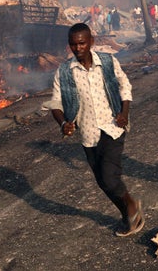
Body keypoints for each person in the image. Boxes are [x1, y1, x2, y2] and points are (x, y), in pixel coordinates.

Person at [46, 23, 144, 237]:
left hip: (112, 127)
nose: (78, 48)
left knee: (109, 177)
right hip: (88, 134)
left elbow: (124, 84)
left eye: (82, 43)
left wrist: (124, 113)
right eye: (73, 44)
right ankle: (127, 213)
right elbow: (55, 103)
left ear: (91, 42)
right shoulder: (64, 72)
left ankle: (131, 205)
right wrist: (64, 123)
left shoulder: (107, 62)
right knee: (102, 181)